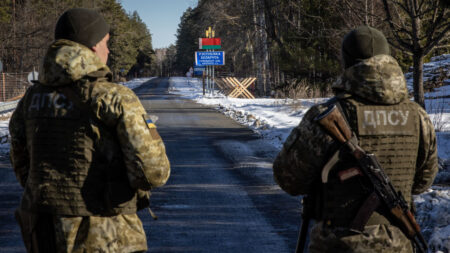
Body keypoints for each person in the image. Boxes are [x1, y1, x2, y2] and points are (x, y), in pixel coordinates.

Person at [9, 8, 170, 253]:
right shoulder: (114, 97)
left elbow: (21, 163)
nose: (108, 50)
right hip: (104, 232)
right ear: (93, 46)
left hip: (42, 230)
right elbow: (153, 173)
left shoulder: (31, 98)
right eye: (107, 43)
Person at [273, 25, 438, 253]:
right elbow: (422, 182)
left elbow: (289, 179)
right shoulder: (417, 116)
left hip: (337, 244)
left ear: (346, 62)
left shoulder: (328, 114)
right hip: (399, 243)